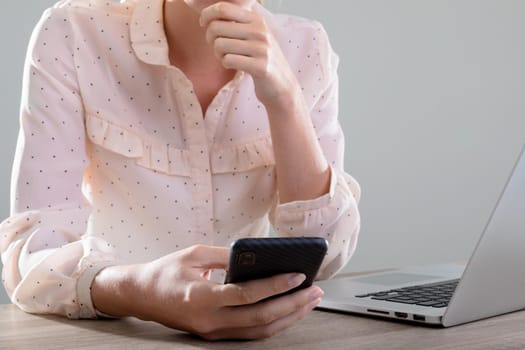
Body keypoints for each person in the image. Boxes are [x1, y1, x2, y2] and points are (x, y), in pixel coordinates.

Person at [0, 0, 361, 340]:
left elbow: (326, 253)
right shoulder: (75, 32)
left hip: (255, 339)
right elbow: (30, 261)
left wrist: (285, 100)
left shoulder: (305, 46)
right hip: (115, 336)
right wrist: (138, 290)